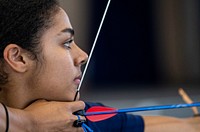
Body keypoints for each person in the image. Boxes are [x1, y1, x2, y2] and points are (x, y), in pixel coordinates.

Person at [0, 0, 199, 131]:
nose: (83, 56)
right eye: (66, 43)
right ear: (18, 58)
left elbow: (182, 127)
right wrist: (30, 123)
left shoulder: (79, 117)